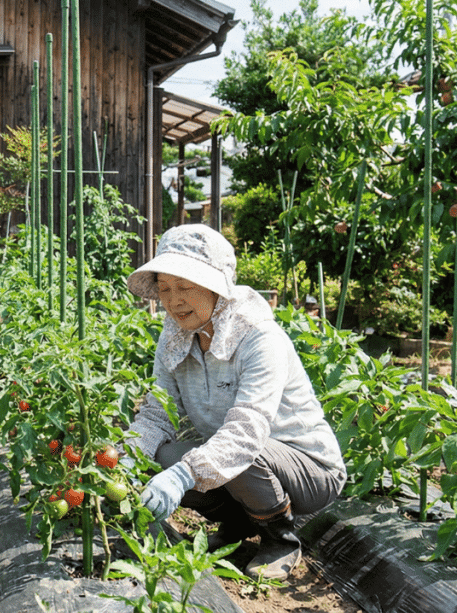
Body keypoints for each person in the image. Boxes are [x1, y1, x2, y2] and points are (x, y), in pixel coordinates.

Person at [122, 224, 346, 580]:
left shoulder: (259, 338)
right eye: (164, 288)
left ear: (216, 287)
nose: (172, 300)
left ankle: (281, 540)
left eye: (185, 286)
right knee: (161, 456)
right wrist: (121, 461)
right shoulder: (175, 338)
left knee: (241, 451)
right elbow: (156, 414)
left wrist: (184, 475)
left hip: (308, 470)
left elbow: (248, 429)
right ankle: (238, 526)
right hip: (240, 460)